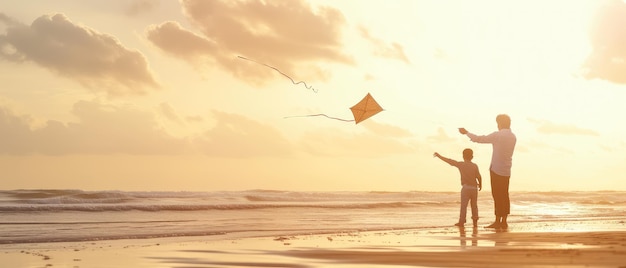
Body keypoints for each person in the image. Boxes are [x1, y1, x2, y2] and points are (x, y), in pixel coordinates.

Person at [459, 114, 516, 229]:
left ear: (500, 123)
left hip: (496, 169)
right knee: (504, 195)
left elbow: (479, 139)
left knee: (497, 195)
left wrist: (466, 133)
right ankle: (504, 221)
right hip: (506, 169)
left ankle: (497, 220)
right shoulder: (513, 136)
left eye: (497, 123)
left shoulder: (498, 135)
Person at [434, 149, 482, 227]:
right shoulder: (474, 165)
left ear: (463, 156)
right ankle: (475, 222)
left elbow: (449, 161)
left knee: (464, 206)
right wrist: (480, 184)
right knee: (474, 205)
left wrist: (439, 156)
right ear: (472, 157)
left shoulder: (461, 164)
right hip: (474, 188)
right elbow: (479, 176)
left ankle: (462, 221)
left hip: (466, 188)